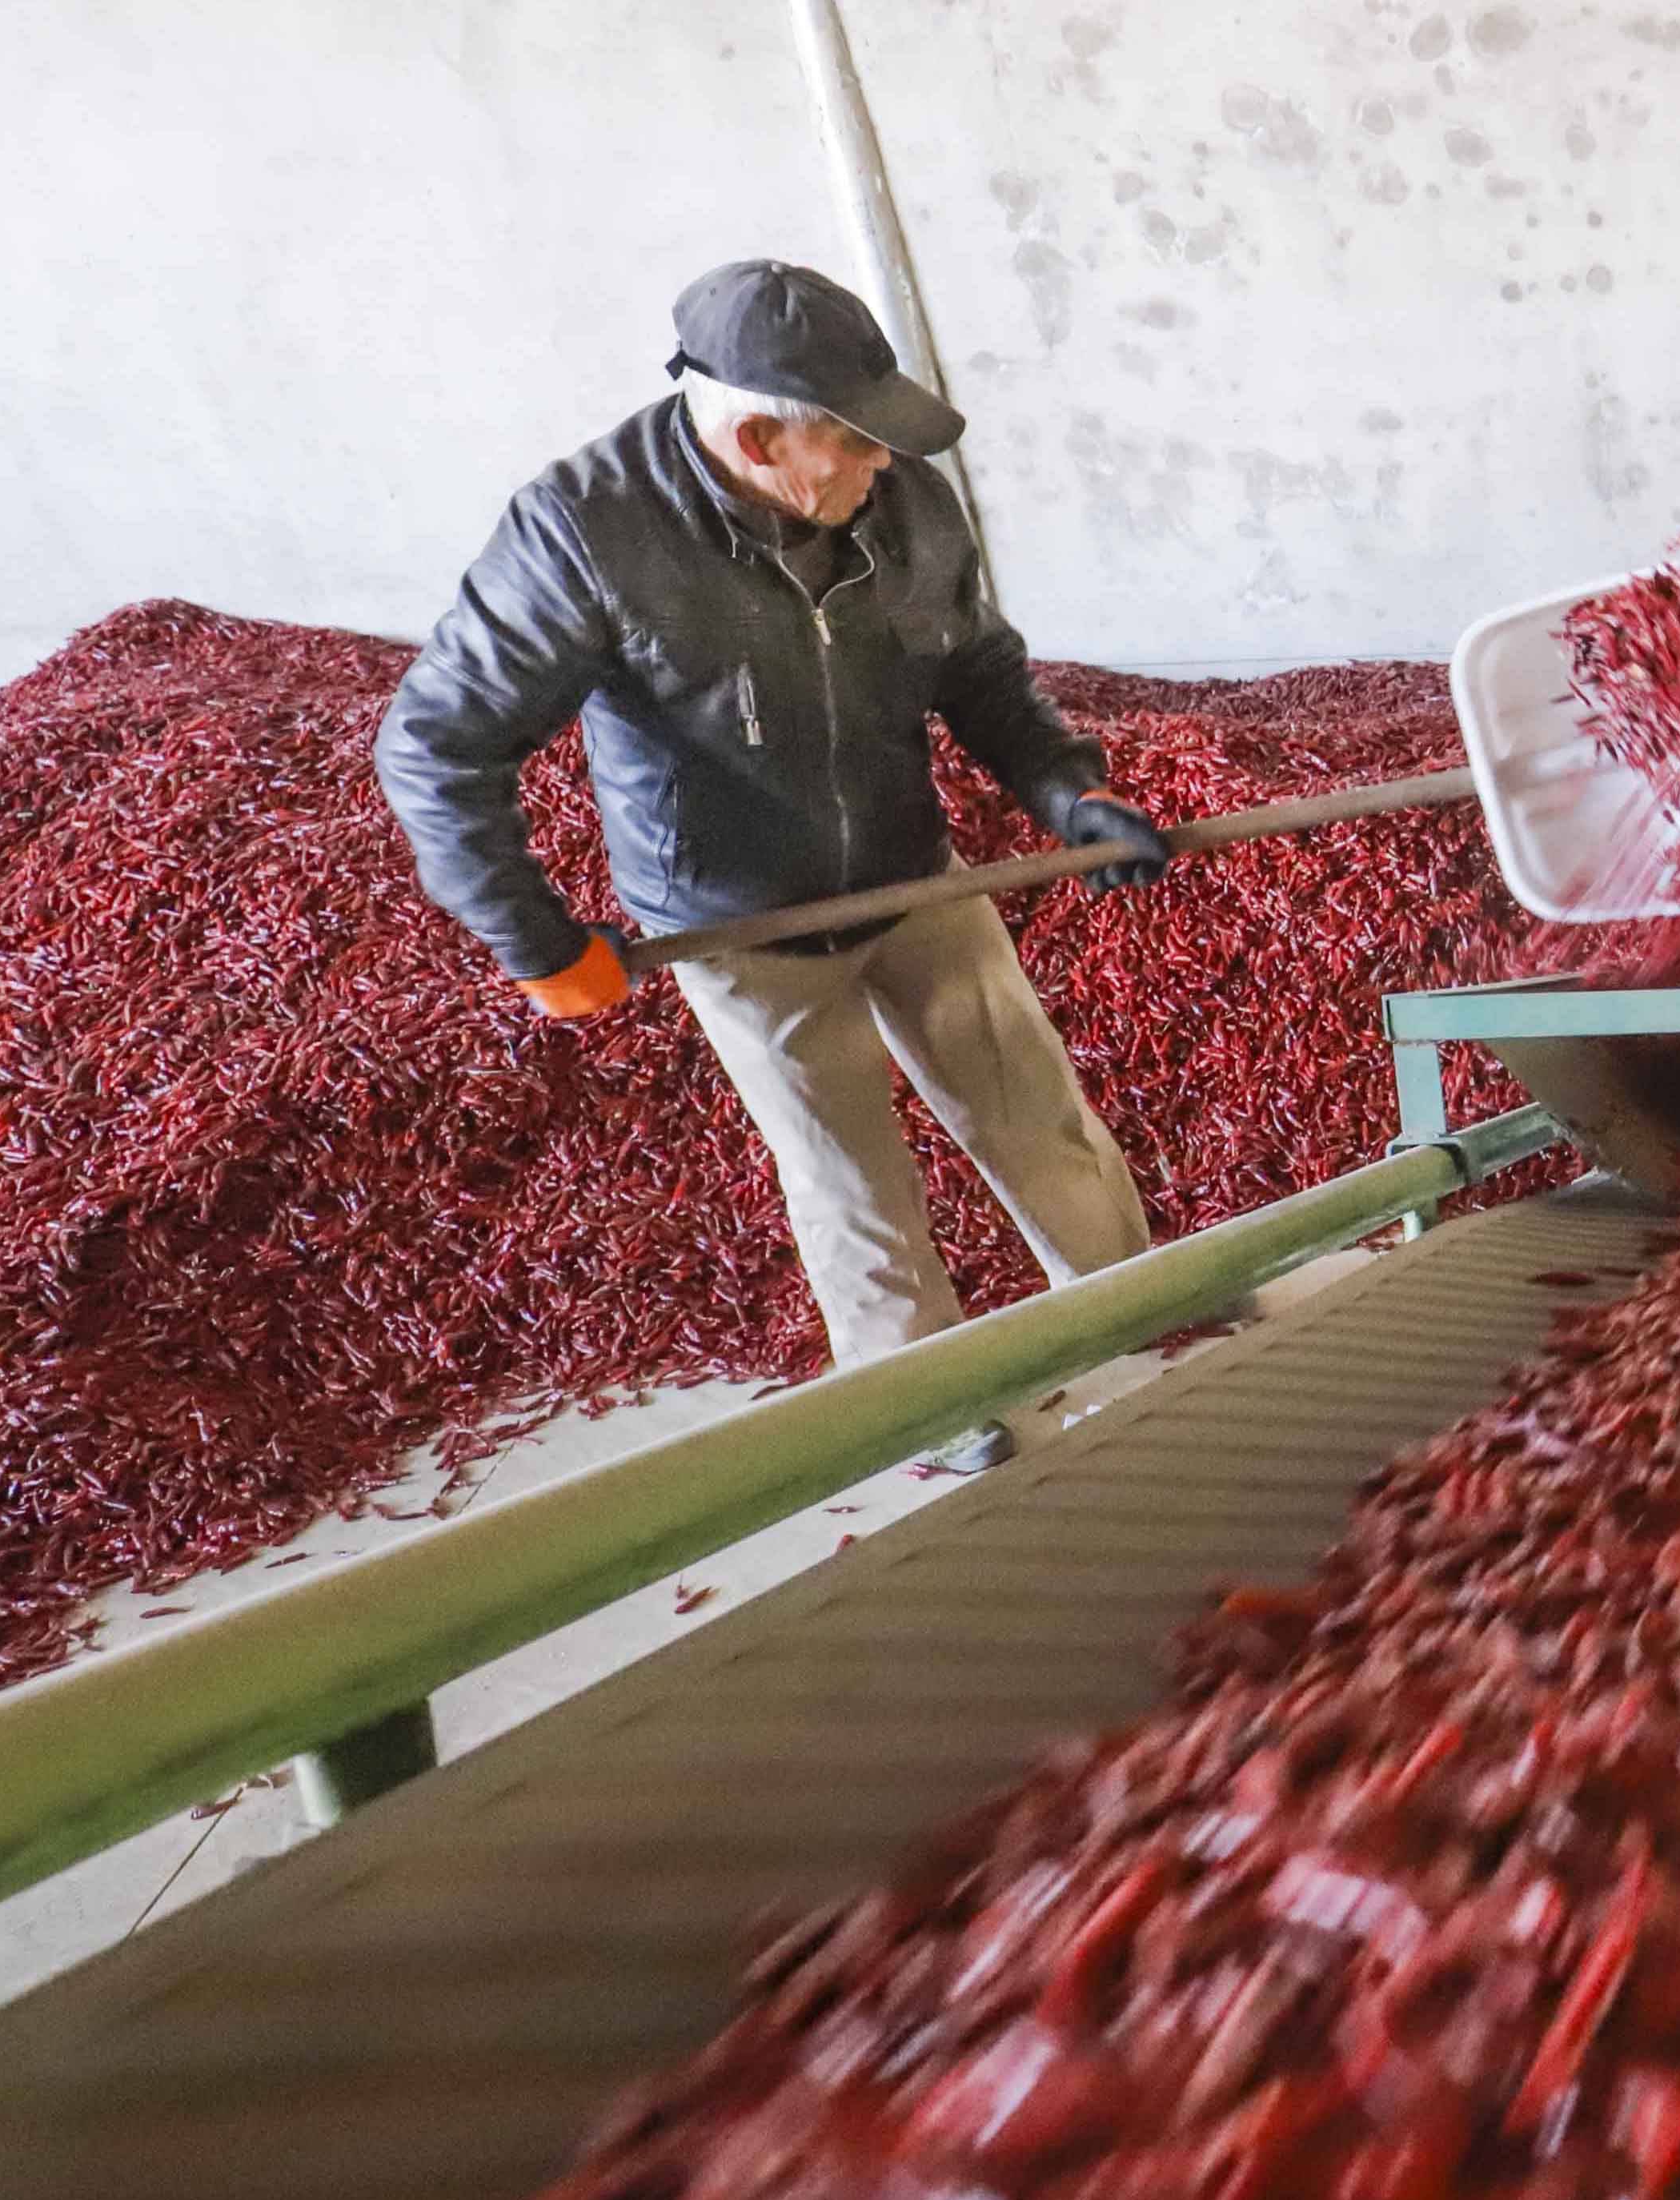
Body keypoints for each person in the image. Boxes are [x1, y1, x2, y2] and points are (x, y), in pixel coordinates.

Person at [379, 260, 1176, 1471]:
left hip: (915, 878)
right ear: (755, 437)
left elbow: (980, 669)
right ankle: (934, 1406)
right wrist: (539, 944)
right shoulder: (586, 532)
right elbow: (436, 747)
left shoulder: (899, 505)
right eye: (857, 447)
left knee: (1037, 1114)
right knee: (856, 1183)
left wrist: (1070, 789)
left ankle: (1146, 1320)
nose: (886, 469)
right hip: (738, 920)